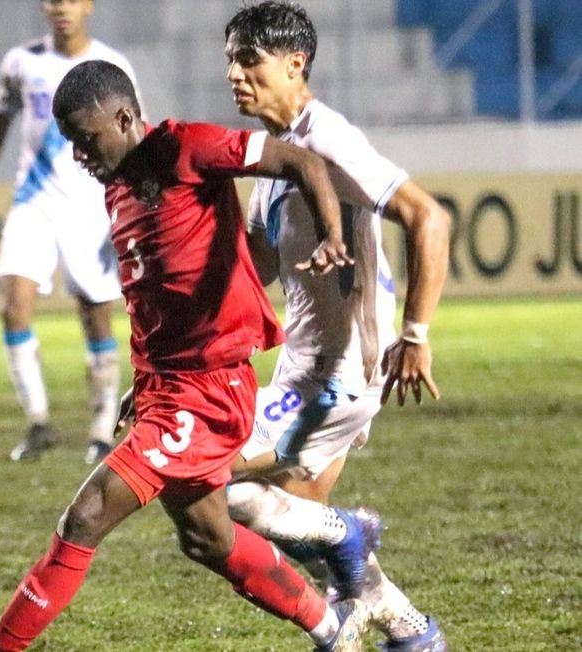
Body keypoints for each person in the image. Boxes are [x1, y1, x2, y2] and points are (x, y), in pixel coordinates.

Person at [0, 59, 372, 652]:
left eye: (86, 141)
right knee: (207, 539)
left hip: (208, 392)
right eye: (71, 146)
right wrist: (145, 381)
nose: (80, 157)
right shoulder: (117, 186)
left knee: (86, 516)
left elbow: (301, 161)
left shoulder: (188, 148)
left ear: (122, 117)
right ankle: (330, 628)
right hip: (170, 386)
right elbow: (157, 297)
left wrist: (332, 236)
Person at [219, 3, 452, 651]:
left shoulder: (329, 141)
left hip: (337, 376)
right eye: (230, 60)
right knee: (305, 533)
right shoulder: (274, 162)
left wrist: (416, 334)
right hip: (304, 370)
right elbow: (248, 281)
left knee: (210, 481)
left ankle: (351, 568)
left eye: (249, 59)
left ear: (295, 64)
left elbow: (428, 219)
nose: (234, 74)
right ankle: (409, 630)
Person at [0, 0, 141, 464]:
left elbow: (133, 135)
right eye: (52, 0)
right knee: (13, 306)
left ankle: (103, 431)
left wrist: (131, 200)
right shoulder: (22, 62)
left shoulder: (111, 65)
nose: (60, 8)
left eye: (70, 0)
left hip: (91, 203)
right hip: (34, 201)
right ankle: (39, 422)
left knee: (96, 316)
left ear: (88, 6)